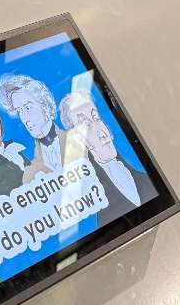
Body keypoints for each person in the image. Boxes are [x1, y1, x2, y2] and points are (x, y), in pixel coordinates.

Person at [60, 92, 156, 229]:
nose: (102, 133)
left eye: (96, 118)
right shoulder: (95, 210)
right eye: (86, 125)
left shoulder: (149, 180)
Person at [0, 73, 82, 182]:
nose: (25, 118)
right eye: (19, 111)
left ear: (44, 104)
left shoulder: (80, 141)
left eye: (28, 108)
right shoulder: (30, 171)